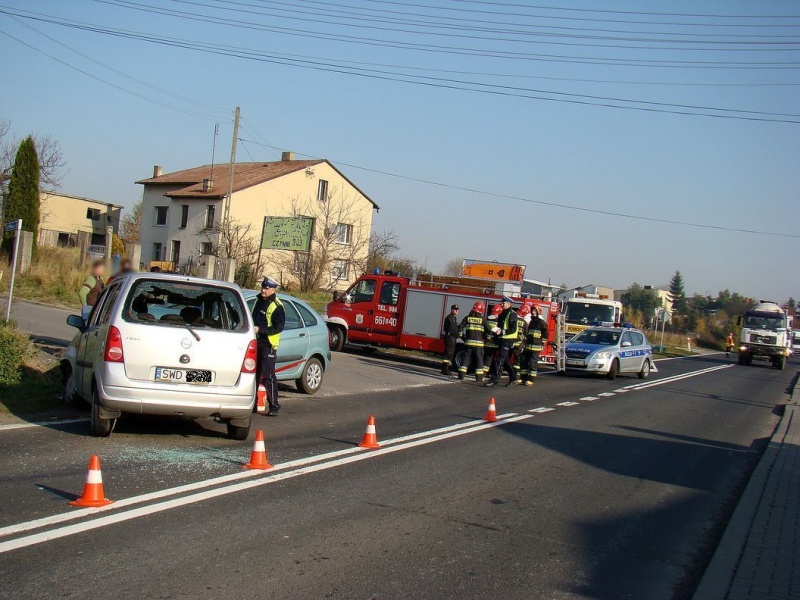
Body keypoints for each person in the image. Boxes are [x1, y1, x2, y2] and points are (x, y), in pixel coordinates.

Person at [252, 277, 285, 416]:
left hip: (268, 344)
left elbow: (279, 327)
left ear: (273, 289)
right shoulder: (258, 300)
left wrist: (260, 330)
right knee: (253, 375)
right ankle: (252, 404)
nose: (264, 290)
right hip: (255, 342)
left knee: (268, 376)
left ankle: (274, 406)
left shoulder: (276, 305)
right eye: (263, 287)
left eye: (267, 288)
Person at [485, 296, 519, 387]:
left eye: (504, 303)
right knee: (505, 361)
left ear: (509, 304)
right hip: (501, 339)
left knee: (498, 359)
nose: (502, 304)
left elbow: (513, 329)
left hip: (508, 340)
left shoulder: (512, 314)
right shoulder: (502, 314)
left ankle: (494, 379)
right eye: (502, 303)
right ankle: (513, 378)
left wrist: (502, 332)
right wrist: (496, 334)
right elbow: (500, 327)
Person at [458, 302, 486, 382]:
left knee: (465, 360)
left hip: (468, 343)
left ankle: (461, 376)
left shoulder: (467, 318)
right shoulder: (483, 320)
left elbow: (460, 328)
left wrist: (463, 337)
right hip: (479, 345)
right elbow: (489, 331)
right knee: (479, 361)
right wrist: (487, 338)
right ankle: (479, 378)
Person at [521, 306, 549, 386]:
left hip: (536, 346)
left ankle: (531, 379)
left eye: (535, 311)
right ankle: (523, 378)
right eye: (532, 310)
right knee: (524, 361)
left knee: (533, 363)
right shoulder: (532, 321)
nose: (533, 312)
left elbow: (545, 333)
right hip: (528, 345)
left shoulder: (541, 322)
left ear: (538, 312)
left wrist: (542, 343)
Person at [483, 304, 503, 381]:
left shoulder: (487, 318)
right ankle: (489, 372)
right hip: (495, 343)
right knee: (491, 358)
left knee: (486, 357)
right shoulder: (499, 320)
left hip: (487, 342)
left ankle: (485, 372)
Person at [441, 304, 460, 377]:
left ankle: (445, 369)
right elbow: (453, 329)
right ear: (451, 310)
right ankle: (445, 369)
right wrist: (459, 334)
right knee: (449, 354)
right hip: (450, 338)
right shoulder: (450, 318)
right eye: (455, 309)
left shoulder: (453, 317)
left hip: (451, 338)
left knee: (449, 354)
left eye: (457, 309)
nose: (456, 311)